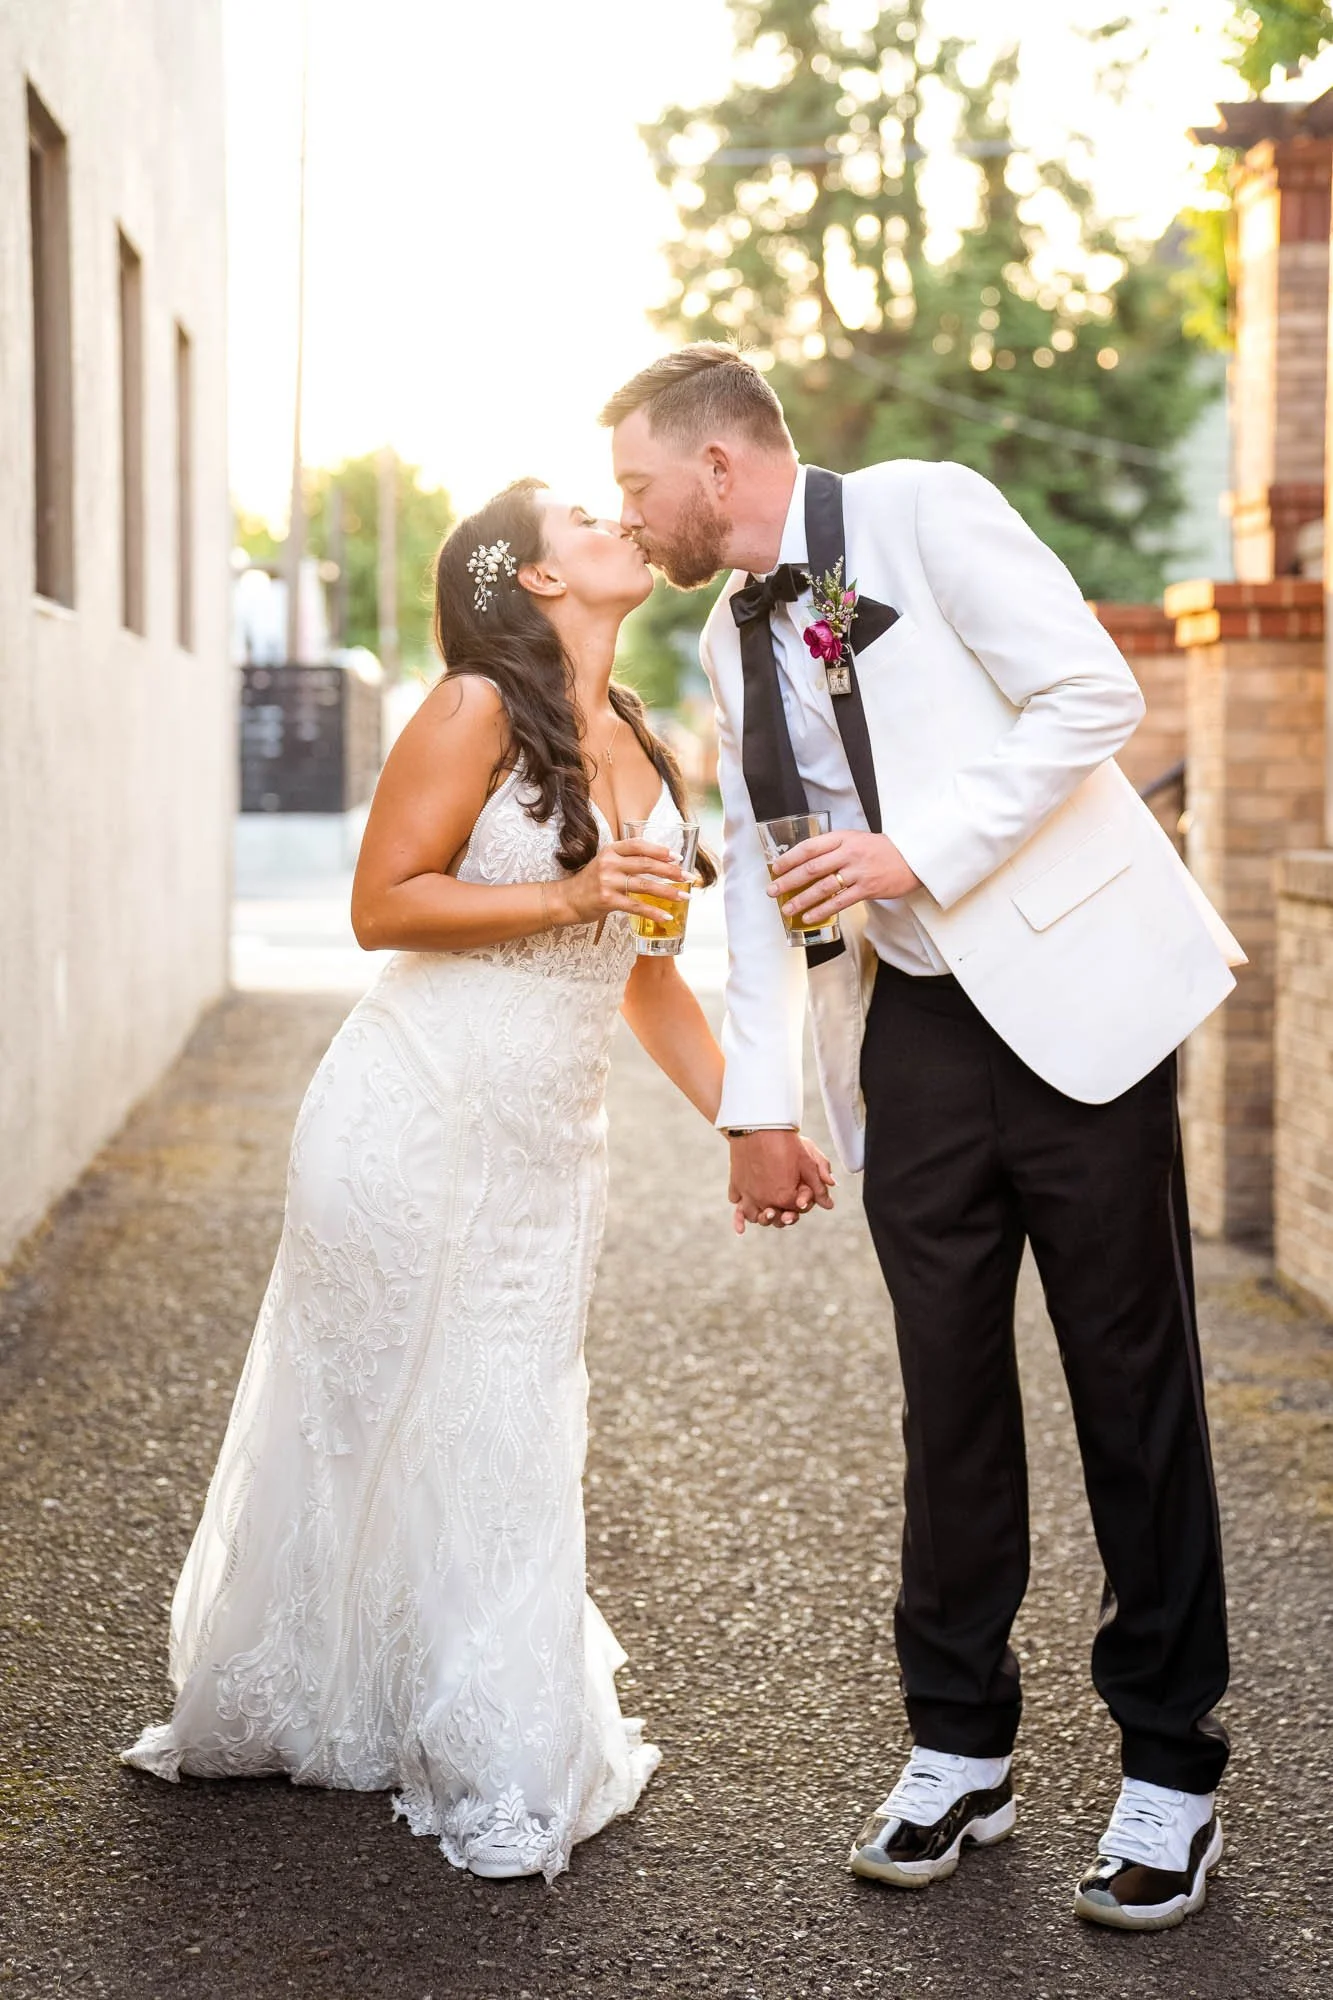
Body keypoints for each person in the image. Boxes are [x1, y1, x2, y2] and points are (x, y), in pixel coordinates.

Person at [600, 344, 1242, 1933]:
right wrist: (760, 1111)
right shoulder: (728, 631)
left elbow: (1099, 691)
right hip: (924, 1039)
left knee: (1130, 1385)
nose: (632, 512)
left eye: (637, 484)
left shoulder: (923, 510)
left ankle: (1172, 1765)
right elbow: (761, 875)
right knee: (945, 1394)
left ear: (723, 467)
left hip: (1080, 1004)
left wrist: (916, 848)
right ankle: (960, 1743)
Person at [122, 475, 834, 1882]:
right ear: (537, 579)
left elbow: (647, 985)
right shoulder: (471, 710)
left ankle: (423, 1706)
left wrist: (752, 1121)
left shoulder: (635, 731)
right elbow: (382, 900)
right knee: (401, 1414)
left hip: (544, 1151)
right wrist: (568, 893)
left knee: (503, 1418)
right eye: (585, 514)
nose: (620, 520)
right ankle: (458, 1733)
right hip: (409, 1113)